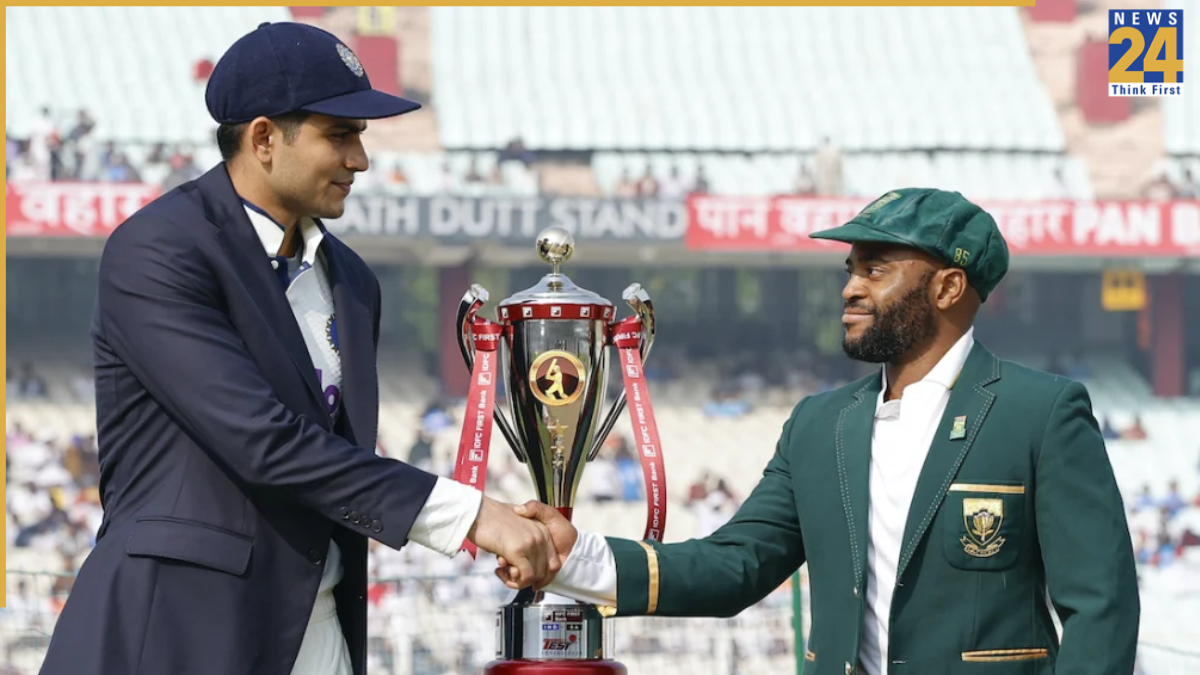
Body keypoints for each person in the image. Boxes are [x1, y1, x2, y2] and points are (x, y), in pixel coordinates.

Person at [38, 22, 557, 675]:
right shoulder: (158, 250)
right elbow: (264, 441)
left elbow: (338, 455)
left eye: (361, 137)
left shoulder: (354, 281)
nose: (360, 160)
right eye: (339, 135)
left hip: (319, 627)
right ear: (263, 138)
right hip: (175, 633)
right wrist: (470, 514)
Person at [504, 189, 1140, 675]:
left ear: (948, 287)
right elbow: (735, 566)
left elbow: (1101, 608)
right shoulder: (818, 424)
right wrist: (573, 555)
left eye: (876, 270)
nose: (850, 289)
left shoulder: (1042, 412)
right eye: (850, 270)